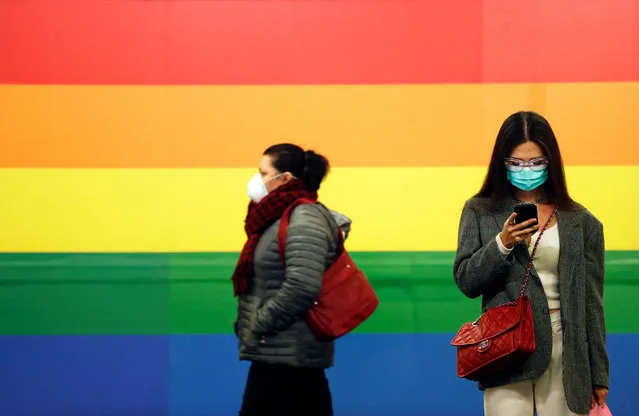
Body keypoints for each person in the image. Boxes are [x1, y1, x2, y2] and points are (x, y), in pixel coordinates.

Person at [453, 111, 610, 415]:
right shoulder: (479, 211)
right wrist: (503, 244)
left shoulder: (582, 222)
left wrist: (599, 372)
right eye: (517, 162)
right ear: (502, 163)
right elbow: (466, 281)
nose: (527, 170)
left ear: (551, 162)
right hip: (506, 348)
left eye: (536, 162)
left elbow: (592, 304)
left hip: (568, 350)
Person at [231, 143, 351, 416]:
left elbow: (302, 287)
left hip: (290, 357)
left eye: (263, 173)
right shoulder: (276, 217)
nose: (255, 180)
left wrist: (259, 323)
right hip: (276, 353)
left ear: (285, 178)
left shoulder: (303, 219)